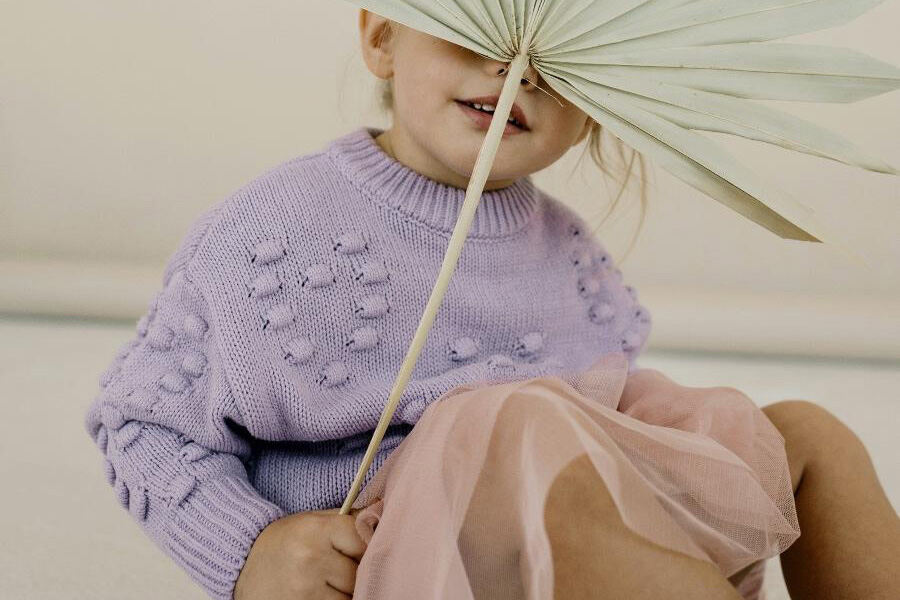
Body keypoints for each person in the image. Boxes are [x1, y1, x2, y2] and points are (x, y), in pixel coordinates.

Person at [83, 10, 900, 600]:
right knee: (512, 424)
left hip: (576, 559)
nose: (518, 71)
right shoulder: (270, 233)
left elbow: (604, 439)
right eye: (483, 27)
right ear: (382, 38)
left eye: (563, 58)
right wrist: (250, 550)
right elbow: (141, 423)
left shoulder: (571, 253)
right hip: (404, 558)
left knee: (806, 434)